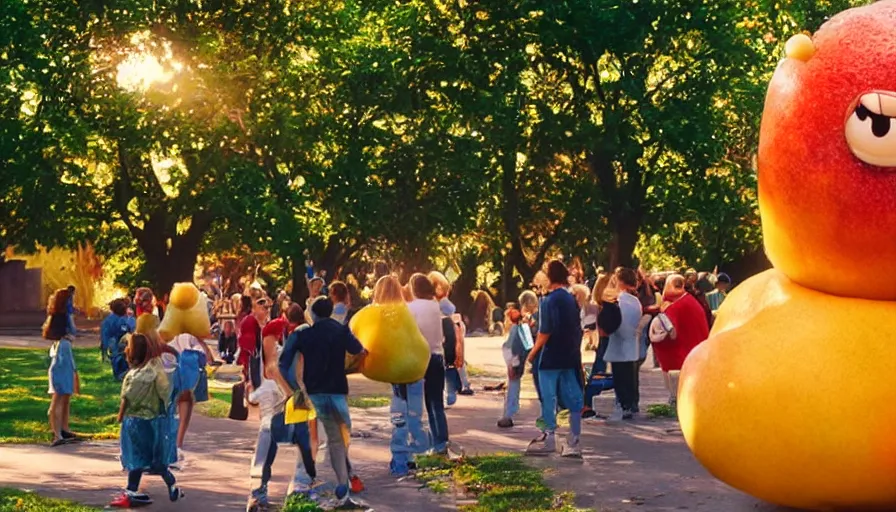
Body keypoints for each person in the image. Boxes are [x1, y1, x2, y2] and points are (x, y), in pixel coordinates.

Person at [280, 298, 367, 508]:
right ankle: (343, 489)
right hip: (337, 390)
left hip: (312, 393)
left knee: (311, 437)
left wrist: (293, 388)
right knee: (339, 439)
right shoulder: (341, 330)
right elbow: (358, 349)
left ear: (312, 313)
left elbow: (284, 361)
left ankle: (301, 483)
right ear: (329, 312)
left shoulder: (303, 333)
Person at [249, 304, 318, 511]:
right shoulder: (279, 334)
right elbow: (272, 369)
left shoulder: (299, 338)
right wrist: (292, 393)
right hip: (285, 395)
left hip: (293, 396)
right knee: (271, 438)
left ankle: (298, 487)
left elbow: (277, 369)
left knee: (301, 440)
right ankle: (262, 492)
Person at [111, 333, 182, 508]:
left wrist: (120, 417)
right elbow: (165, 392)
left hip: (133, 422)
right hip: (151, 422)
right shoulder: (155, 371)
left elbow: (125, 399)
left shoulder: (132, 376)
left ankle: (131, 490)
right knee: (155, 461)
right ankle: (171, 484)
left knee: (135, 458)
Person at [374, 276, 431, 477]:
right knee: (415, 415)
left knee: (399, 415)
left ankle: (400, 461)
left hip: (396, 369)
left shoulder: (379, 314)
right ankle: (414, 457)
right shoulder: (409, 310)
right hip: (414, 366)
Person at [525, 260, 583, 458]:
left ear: (549, 277)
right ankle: (574, 439)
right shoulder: (570, 298)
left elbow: (545, 331)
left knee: (548, 395)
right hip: (569, 353)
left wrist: (533, 352)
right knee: (574, 395)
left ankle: (549, 436)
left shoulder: (548, 300)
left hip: (550, 356)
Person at [649, 274, 711, 406]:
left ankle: (676, 399)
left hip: (683, 353)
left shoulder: (677, 307)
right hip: (696, 349)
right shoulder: (689, 301)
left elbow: (671, 332)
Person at [407, 274, 451, 455]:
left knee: (424, 401)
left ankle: (428, 441)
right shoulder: (435, 305)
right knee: (437, 402)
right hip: (437, 355)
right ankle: (442, 441)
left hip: (420, 357)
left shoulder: (410, 308)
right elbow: (450, 309)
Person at [602, 268, 643, 422]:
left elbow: (615, 320)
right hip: (631, 342)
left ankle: (623, 405)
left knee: (620, 377)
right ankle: (631, 404)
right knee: (630, 376)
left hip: (619, 341)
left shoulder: (619, 300)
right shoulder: (636, 301)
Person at [168, 332, 215, 464]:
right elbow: (208, 359)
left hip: (168, 373)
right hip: (187, 377)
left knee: (168, 409)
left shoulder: (169, 332)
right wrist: (202, 342)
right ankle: (178, 443)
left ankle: (169, 442)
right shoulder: (192, 337)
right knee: (185, 405)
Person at [44, 288, 80, 447]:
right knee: (58, 399)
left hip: (63, 365)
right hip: (60, 368)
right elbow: (64, 362)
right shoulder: (62, 339)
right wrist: (74, 372)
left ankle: (64, 429)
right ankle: (57, 434)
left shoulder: (63, 336)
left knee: (66, 397)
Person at [497, 307, 532, 428]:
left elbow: (513, 349)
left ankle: (509, 413)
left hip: (514, 363)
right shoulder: (521, 329)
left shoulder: (514, 330)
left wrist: (512, 365)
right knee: (514, 386)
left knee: (512, 387)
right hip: (518, 362)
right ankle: (513, 409)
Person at [239, 297, 270, 387]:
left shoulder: (263, 322)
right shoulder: (249, 321)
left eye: (267, 309)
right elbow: (248, 346)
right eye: (263, 308)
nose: (266, 311)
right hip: (250, 360)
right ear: (254, 309)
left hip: (258, 359)